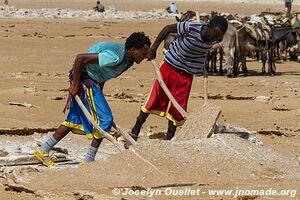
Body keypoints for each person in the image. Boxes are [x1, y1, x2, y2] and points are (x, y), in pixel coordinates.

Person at [34, 32, 151, 166]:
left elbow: (103, 73)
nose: (143, 57)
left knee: (74, 119)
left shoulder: (128, 60)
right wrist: (75, 85)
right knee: (105, 119)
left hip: (94, 81)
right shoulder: (114, 57)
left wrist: (100, 87)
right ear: (132, 49)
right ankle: (89, 160)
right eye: (142, 53)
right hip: (86, 79)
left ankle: (43, 150)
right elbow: (80, 59)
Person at [124, 16, 228, 149]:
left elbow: (206, 47)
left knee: (177, 109)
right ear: (208, 26)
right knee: (154, 100)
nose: (213, 39)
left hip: (186, 76)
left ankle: (169, 141)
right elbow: (167, 29)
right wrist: (153, 48)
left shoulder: (217, 38)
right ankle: (134, 132)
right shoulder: (192, 27)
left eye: (217, 37)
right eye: (213, 35)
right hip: (170, 67)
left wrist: (201, 63)